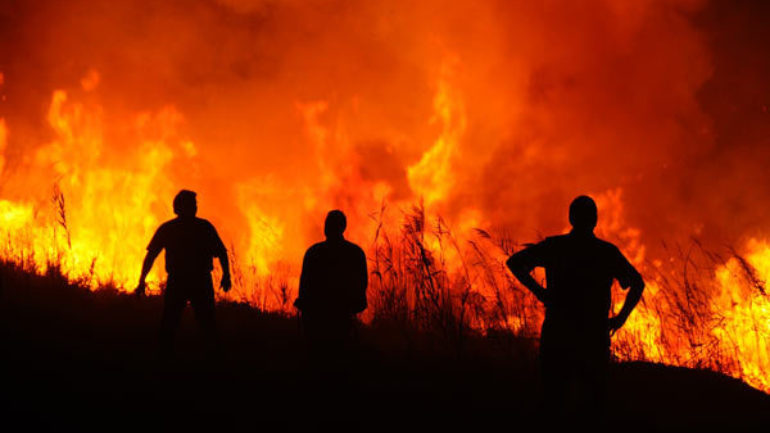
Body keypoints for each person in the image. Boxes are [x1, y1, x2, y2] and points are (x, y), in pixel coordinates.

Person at [506, 195, 644, 422]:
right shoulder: (606, 252)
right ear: (595, 220)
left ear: (571, 218)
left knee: (553, 401)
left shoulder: (555, 247)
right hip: (593, 337)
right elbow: (637, 283)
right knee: (593, 405)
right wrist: (620, 318)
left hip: (558, 334)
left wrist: (540, 293)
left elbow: (515, 262)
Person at [136, 189, 231, 357]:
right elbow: (150, 256)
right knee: (173, 321)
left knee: (204, 322)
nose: (193, 208)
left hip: (197, 280)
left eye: (194, 205)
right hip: (182, 281)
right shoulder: (180, 228)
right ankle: (168, 356)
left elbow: (222, 252)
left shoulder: (200, 228)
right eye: (190, 204)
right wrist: (141, 280)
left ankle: (210, 357)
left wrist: (227, 275)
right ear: (178, 208)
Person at [294, 210, 368, 369]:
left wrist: (305, 305)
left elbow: (304, 285)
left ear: (327, 228)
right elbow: (362, 285)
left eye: (328, 224)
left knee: (318, 362)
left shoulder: (314, 252)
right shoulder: (355, 253)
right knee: (340, 361)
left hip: (317, 318)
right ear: (344, 227)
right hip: (342, 316)